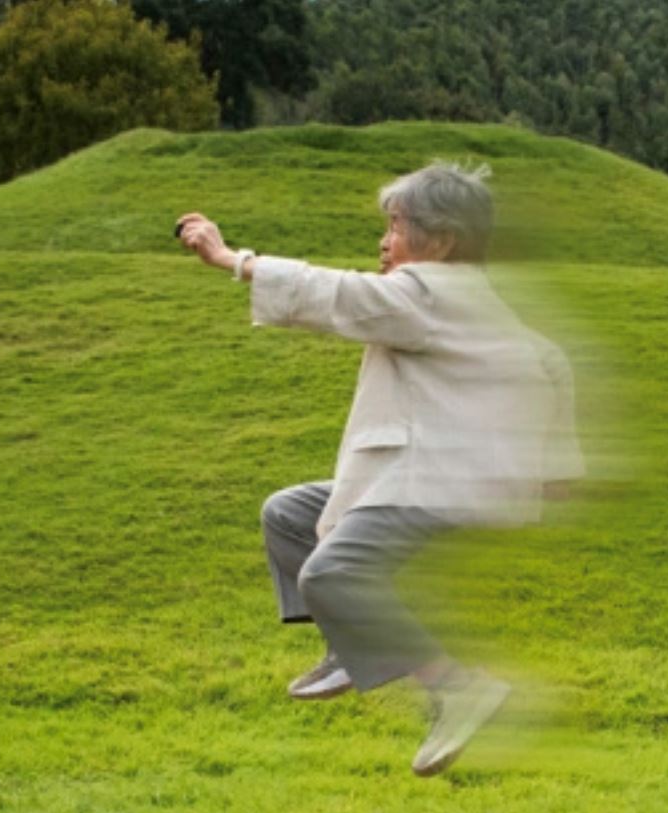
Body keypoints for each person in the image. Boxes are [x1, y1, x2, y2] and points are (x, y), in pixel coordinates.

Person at [177, 161, 582, 777]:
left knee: (331, 572)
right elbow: (548, 360)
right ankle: (349, 644)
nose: (383, 241)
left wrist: (232, 259)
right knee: (287, 514)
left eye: (395, 226)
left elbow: (336, 293)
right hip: (432, 474)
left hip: (433, 483)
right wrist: (558, 467)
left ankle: (457, 685)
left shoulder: (430, 291)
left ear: (440, 240)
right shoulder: (475, 301)